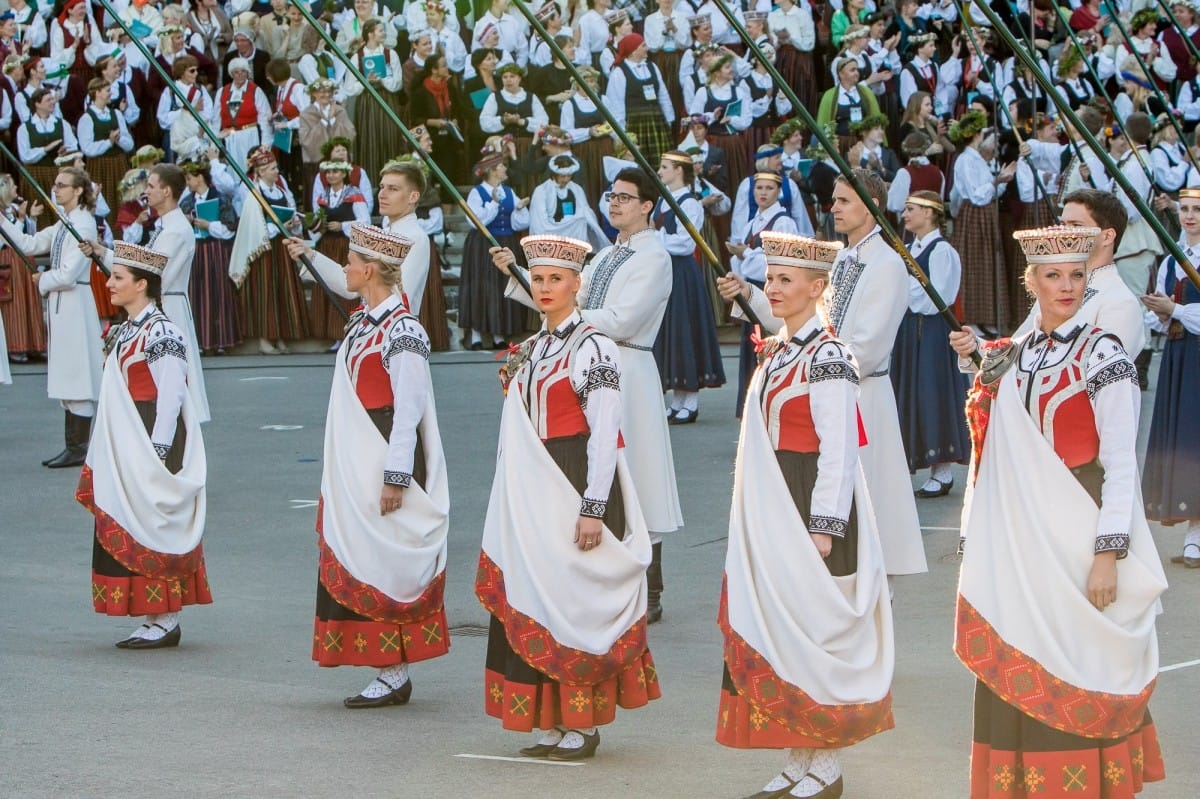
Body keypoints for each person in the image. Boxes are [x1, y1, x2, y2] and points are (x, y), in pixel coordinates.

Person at [956, 224, 1166, 799]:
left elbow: (1121, 463)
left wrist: (1107, 554)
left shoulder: (1105, 355)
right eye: (1053, 275)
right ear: (1033, 282)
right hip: (1025, 531)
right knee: (1027, 645)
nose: (1066, 286)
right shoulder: (1020, 354)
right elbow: (996, 434)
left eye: (1076, 275)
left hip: (1080, 517)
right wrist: (977, 363)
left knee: (1077, 655)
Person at [717, 230, 894, 799]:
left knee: (817, 633)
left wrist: (823, 528)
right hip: (776, 503)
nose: (773, 288)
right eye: (770, 279)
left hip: (812, 504)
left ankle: (828, 764)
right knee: (783, 633)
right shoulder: (780, 350)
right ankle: (800, 755)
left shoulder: (830, 358)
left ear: (818, 289)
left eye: (785, 280)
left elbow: (839, 450)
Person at [477, 233, 660, 760]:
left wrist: (593, 506)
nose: (545, 287)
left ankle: (582, 723)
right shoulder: (534, 347)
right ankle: (551, 721)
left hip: (576, 475)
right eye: (537, 278)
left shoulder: (592, 345)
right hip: (536, 486)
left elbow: (605, 430)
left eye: (556, 278)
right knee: (540, 594)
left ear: (578, 284)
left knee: (575, 600)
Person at [494, 167, 683, 622]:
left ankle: (650, 584)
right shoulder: (604, 255)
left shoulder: (654, 256)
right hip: (583, 359)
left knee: (636, 470)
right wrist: (523, 274)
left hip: (629, 366)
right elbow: (560, 298)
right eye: (611, 196)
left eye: (625, 197)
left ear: (647, 206)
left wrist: (566, 310)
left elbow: (621, 318)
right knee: (596, 465)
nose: (614, 203)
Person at [721, 169, 927, 579]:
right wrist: (751, 295)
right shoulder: (838, 258)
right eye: (834, 200)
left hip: (862, 396)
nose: (833, 208)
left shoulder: (887, 263)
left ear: (872, 207)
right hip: (819, 393)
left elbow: (867, 347)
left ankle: (868, 603)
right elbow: (803, 323)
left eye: (844, 201)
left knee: (866, 513)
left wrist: (815, 367)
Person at [292, 222, 451, 707]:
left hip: (385, 447)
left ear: (370, 270)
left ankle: (394, 669)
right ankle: (387, 667)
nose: (345, 267)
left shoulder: (403, 331)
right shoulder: (364, 323)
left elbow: (410, 408)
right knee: (365, 550)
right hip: (362, 450)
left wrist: (396, 475)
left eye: (350, 261)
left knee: (388, 556)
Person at [76, 241, 211, 649]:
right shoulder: (129, 328)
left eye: (118, 277)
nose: (109, 282)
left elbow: (170, 396)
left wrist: (158, 452)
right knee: (130, 516)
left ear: (141, 284)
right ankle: (155, 614)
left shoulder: (162, 331)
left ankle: (166, 616)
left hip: (152, 433)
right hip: (127, 435)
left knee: (154, 520)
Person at [83, 164, 210, 424]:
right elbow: (144, 264)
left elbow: (153, 273)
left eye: (151, 186)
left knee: (170, 378)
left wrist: (106, 254)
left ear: (166, 191)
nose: (147, 191)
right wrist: (103, 253)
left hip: (168, 306)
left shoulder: (175, 229)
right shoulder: (164, 226)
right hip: (159, 304)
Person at [0, 166, 102, 468]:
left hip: (74, 303)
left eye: (62, 185)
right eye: (55, 184)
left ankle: (79, 447)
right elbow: (30, 245)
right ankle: (73, 445)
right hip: (62, 304)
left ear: (79, 190)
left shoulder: (82, 225)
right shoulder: (65, 223)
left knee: (77, 372)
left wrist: (41, 280)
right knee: (67, 372)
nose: (55, 190)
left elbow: (70, 273)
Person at [891, 191, 969, 498]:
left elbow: (936, 298)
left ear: (930, 213)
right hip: (910, 330)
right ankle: (923, 465)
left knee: (932, 393)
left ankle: (943, 470)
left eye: (911, 209)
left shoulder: (941, 251)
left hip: (934, 332)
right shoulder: (908, 249)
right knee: (910, 392)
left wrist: (905, 285)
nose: (905, 215)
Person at [1142, 187, 1200, 568]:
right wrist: (1163, 313)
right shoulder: (1170, 262)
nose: (1190, 216)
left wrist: (1175, 309)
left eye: (1197, 209)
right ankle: (1192, 529)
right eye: (1185, 209)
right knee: (1183, 440)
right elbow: (1155, 317)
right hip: (1180, 358)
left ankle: (1197, 534)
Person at [652, 150, 726, 423]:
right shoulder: (663, 200)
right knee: (671, 332)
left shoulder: (691, 204)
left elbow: (685, 244)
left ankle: (690, 401)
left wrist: (654, 236)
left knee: (685, 332)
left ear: (679, 171)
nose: (660, 172)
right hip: (664, 273)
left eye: (664, 167)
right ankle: (678, 400)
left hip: (682, 274)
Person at [728, 170, 799, 416]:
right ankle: (753, 413)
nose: (763, 193)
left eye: (769, 188)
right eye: (759, 188)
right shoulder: (754, 221)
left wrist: (744, 255)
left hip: (770, 292)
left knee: (769, 350)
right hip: (753, 290)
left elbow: (779, 261)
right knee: (753, 352)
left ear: (778, 192)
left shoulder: (783, 222)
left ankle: (768, 412)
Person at [228, 146, 307, 355]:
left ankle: (280, 336)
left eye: (276, 168)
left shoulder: (281, 192)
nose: (276, 172)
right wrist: (277, 228)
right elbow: (253, 226)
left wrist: (293, 222)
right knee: (266, 295)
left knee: (282, 291)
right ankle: (264, 339)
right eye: (272, 168)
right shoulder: (255, 195)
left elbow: (291, 215)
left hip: (282, 250)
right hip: (264, 252)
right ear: (261, 172)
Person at [948, 109, 1017, 333]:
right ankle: (972, 317)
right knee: (975, 262)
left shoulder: (975, 159)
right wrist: (998, 181)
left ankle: (986, 317)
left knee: (987, 261)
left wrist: (1002, 181)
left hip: (985, 214)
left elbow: (989, 192)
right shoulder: (966, 160)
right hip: (974, 215)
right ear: (976, 135)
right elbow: (975, 194)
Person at [461, 150, 531, 350]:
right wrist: (493, 202)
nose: (505, 169)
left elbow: (519, 224)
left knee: (501, 286)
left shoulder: (508, 191)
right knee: (481, 286)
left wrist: (519, 209)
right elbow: (476, 221)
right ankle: (476, 334)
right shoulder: (477, 192)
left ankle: (499, 333)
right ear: (492, 171)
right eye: (502, 166)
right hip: (483, 244)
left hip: (506, 242)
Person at [306, 159, 370, 348]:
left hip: (345, 247)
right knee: (327, 284)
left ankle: (347, 331)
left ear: (343, 174)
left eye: (335, 171)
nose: (331, 175)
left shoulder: (354, 194)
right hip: (327, 246)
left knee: (345, 285)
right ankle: (332, 334)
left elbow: (364, 221)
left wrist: (342, 225)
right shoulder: (323, 196)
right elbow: (314, 224)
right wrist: (318, 227)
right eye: (328, 172)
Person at [179, 157, 239, 355]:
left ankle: (222, 340)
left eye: (189, 178)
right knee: (199, 294)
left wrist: (209, 226)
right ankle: (203, 341)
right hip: (196, 251)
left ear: (200, 178)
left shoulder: (220, 198)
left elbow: (231, 228)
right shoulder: (187, 202)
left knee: (219, 292)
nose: (188, 183)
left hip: (216, 250)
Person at [604, 33, 676, 169]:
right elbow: (615, 105)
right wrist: (621, 133)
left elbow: (663, 95)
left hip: (656, 123)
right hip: (635, 126)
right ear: (633, 50)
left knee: (661, 164)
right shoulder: (619, 73)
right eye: (643, 45)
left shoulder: (652, 67)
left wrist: (668, 120)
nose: (646, 48)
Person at [0, 174, 46, 363]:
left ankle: (34, 344)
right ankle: (15, 346)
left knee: (30, 302)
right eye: (13, 188)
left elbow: (28, 238)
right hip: (9, 260)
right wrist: (20, 219)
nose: (16, 191)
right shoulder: (3, 213)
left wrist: (30, 218)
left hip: (24, 261)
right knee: (14, 303)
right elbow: (7, 239)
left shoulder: (11, 210)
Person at [529, 154, 608, 247]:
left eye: (569, 176)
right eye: (562, 176)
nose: (566, 179)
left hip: (573, 237)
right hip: (552, 237)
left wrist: (577, 218)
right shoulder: (542, 191)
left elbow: (585, 212)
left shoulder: (576, 189)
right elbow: (539, 223)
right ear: (554, 174)